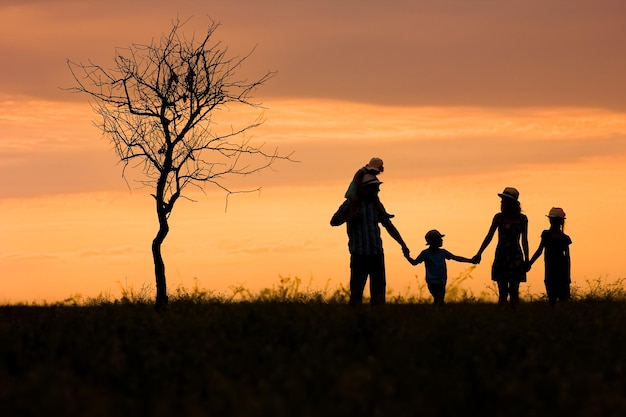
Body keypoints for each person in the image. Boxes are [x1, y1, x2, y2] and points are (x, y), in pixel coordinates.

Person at [331, 174, 410, 306]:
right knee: (356, 292)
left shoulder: (376, 206)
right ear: (366, 189)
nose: (377, 191)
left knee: (378, 294)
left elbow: (388, 225)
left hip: (376, 254)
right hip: (359, 255)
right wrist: (350, 216)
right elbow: (333, 221)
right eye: (375, 188)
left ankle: (376, 321)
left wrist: (402, 244)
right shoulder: (351, 204)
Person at [472, 187, 529, 308]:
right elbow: (489, 236)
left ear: (512, 203)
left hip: (515, 256)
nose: (502, 202)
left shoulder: (522, 219)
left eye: (505, 200)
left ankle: (514, 316)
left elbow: (524, 241)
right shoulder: (498, 217)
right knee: (502, 291)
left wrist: (527, 259)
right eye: (502, 200)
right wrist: (479, 252)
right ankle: (503, 315)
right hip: (501, 255)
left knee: (514, 291)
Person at [404, 229, 476, 306]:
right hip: (432, 281)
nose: (441, 240)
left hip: (442, 281)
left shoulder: (443, 252)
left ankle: (436, 315)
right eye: (439, 239)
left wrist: (470, 260)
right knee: (439, 299)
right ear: (433, 241)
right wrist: (407, 256)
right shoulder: (426, 253)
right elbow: (414, 263)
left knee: (439, 300)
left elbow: (456, 258)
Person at [526, 207, 572, 305]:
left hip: (561, 272)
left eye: (555, 220)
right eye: (552, 220)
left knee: (563, 299)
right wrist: (530, 263)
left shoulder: (564, 239)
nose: (553, 222)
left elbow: (568, 259)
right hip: (550, 271)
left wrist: (568, 276)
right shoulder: (546, 235)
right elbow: (539, 251)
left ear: (559, 222)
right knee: (552, 298)